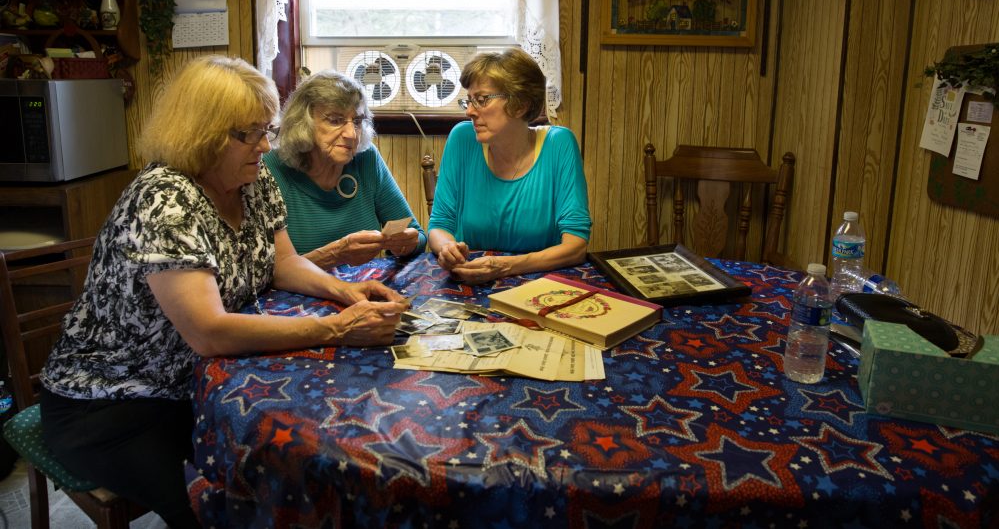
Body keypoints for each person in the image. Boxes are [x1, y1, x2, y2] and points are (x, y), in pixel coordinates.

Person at [39, 56, 408, 529]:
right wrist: (337, 328)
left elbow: (284, 262)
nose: (263, 146)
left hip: (191, 384)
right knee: (218, 504)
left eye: (266, 131)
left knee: (287, 470)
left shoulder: (252, 178)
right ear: (202, 132)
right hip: (112, 404)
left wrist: (347, 293)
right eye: (247, 134)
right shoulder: (164, 199)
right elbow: (209, 332)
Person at [427, 47, 591, 284]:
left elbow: (576, 246)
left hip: (539, 285)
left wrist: (506, 266)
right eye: (469, 100)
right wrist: (447, 249)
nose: (470, 112)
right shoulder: (462, 139)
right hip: (470, 279)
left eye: (481, 100)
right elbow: (439, 225)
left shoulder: (559, 145)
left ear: (520, 104)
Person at [263, 70, 425, 268]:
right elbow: (267, 273)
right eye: (335, 120)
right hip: (298, 297)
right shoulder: (272, 169)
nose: (351, 134)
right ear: (303, 123)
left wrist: (408, 243)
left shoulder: (366, 159)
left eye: (357, 121)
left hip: (365, 289)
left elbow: (418, 235)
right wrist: (335, 255)